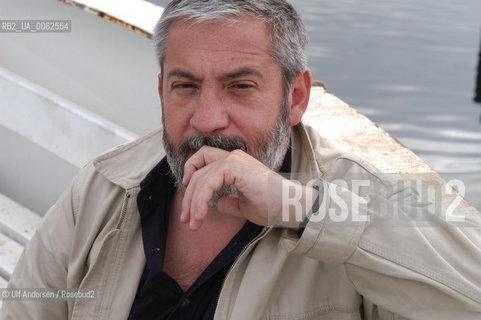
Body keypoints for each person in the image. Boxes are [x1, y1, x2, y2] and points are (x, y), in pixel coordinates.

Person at [2, 0, 481, 319]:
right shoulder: (104, 185)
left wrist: (303, 211)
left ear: (295, 97)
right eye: (185, 86)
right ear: (161, 91)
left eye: (240, 86)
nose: (207, 120)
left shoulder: (367, 197)